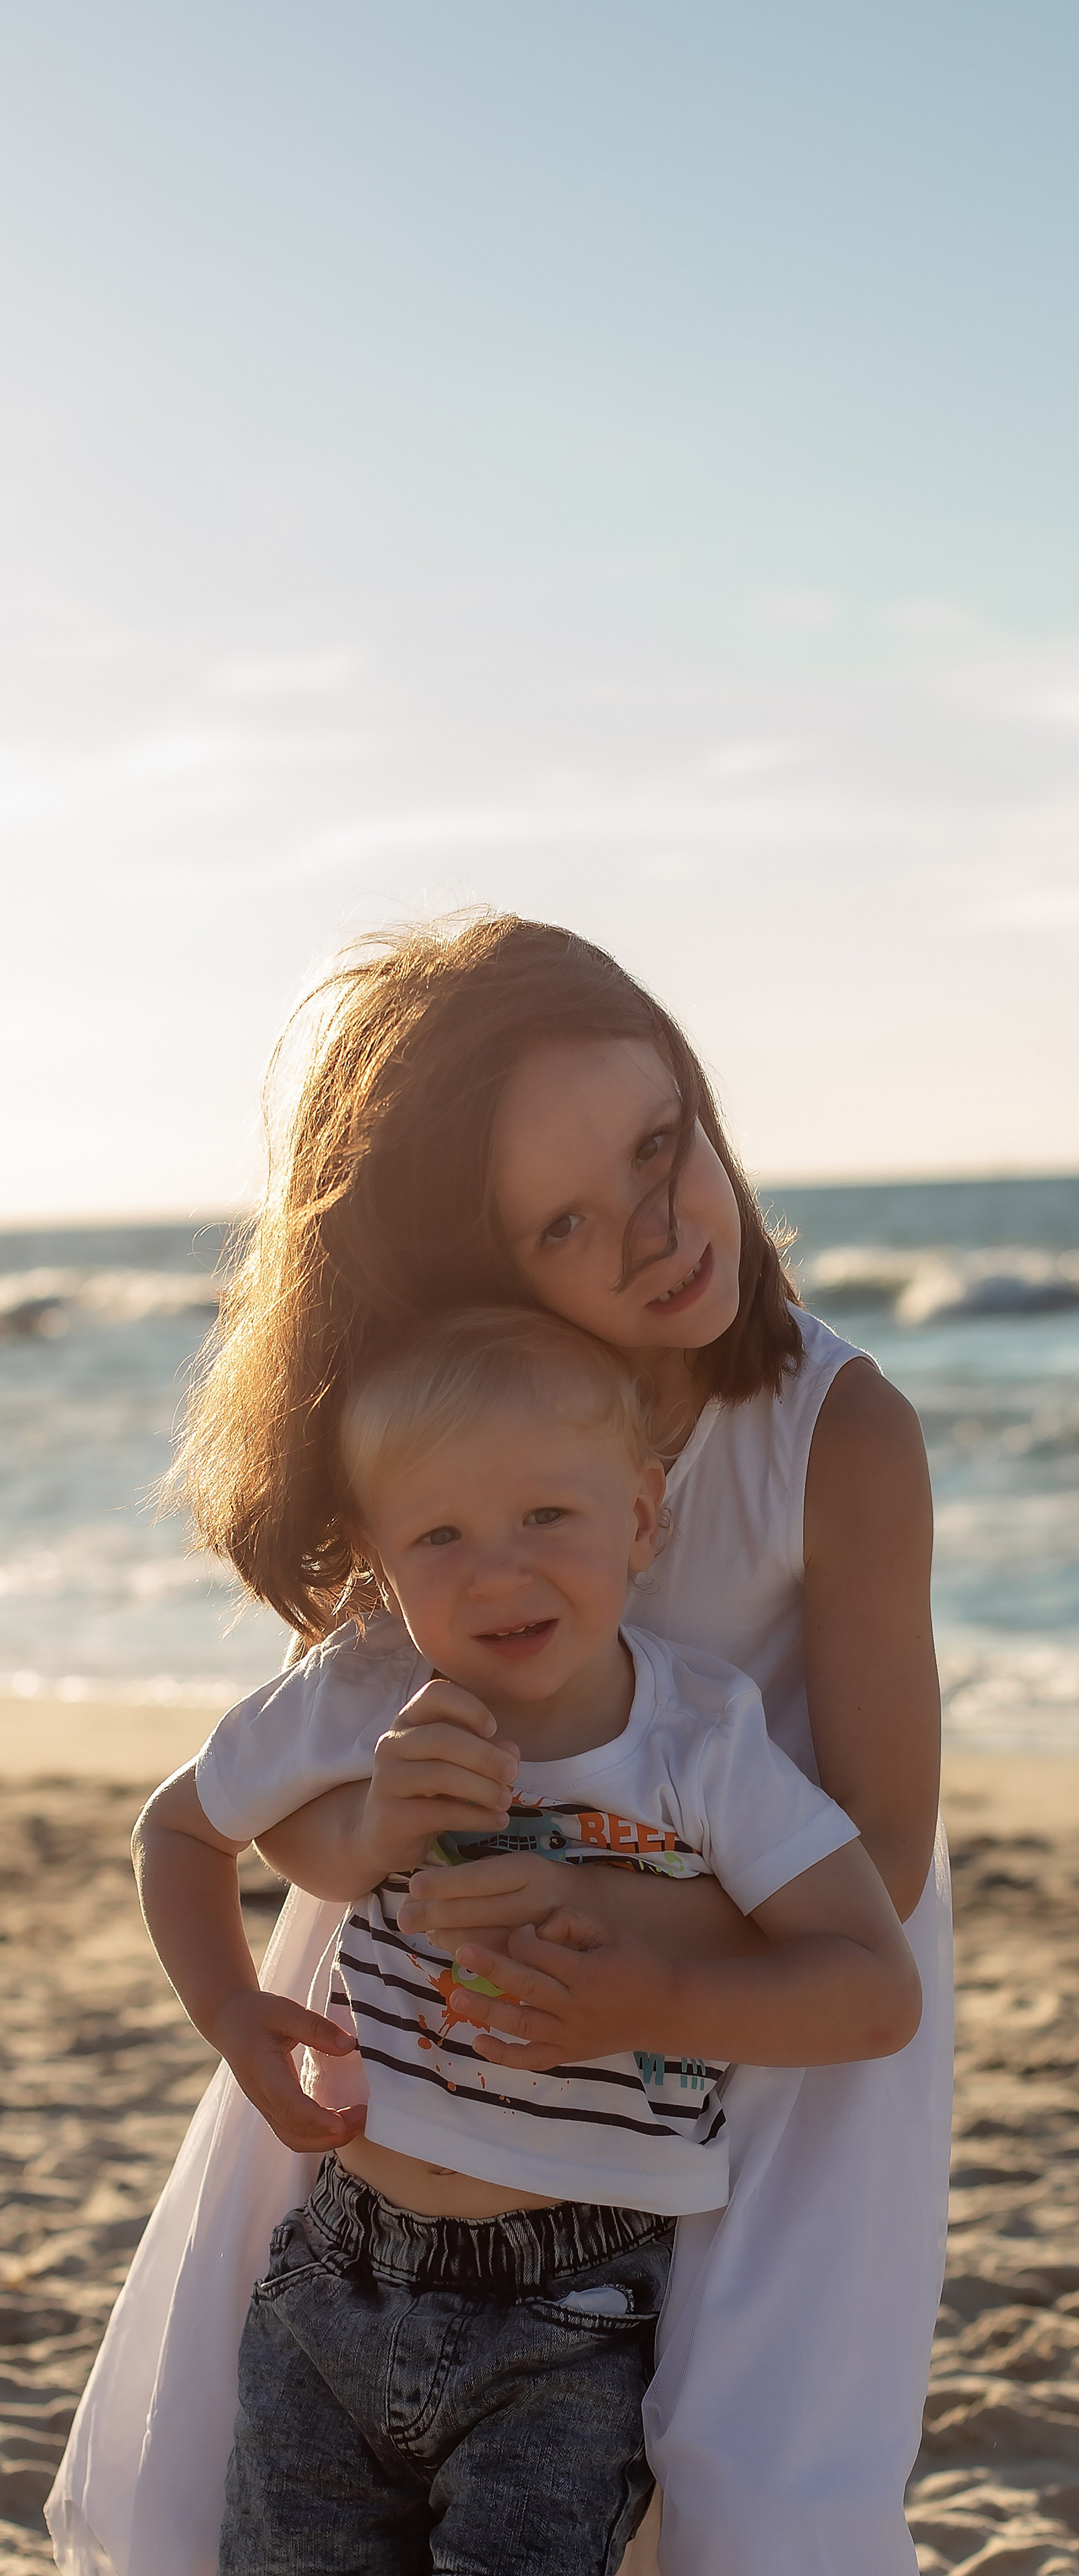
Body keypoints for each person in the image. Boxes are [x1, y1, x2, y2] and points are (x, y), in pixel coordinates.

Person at [48, 915, 954, 2576]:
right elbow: (310, 1803)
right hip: (439, 2032)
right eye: (563, 1222)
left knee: (745, 2487)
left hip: (765, 1992)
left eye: (659, 1147)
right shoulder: (466, 1444)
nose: (655, 1230)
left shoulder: (835, 1434)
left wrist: (623, 1955)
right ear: (481, 1263)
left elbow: (883, 1851)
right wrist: (377, 1851)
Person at [132, 1306, 919, 2575]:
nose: (499, 1574)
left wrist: (652, 2000)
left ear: (643, 1518)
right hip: (334, 2275)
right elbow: (176, 1830)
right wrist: (230, 2008)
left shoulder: (699, 1743)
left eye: (548, 1516)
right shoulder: (369, 1692)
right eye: (440, 1536)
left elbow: (876, 1989)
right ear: (381, 1562)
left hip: (576, 2315)